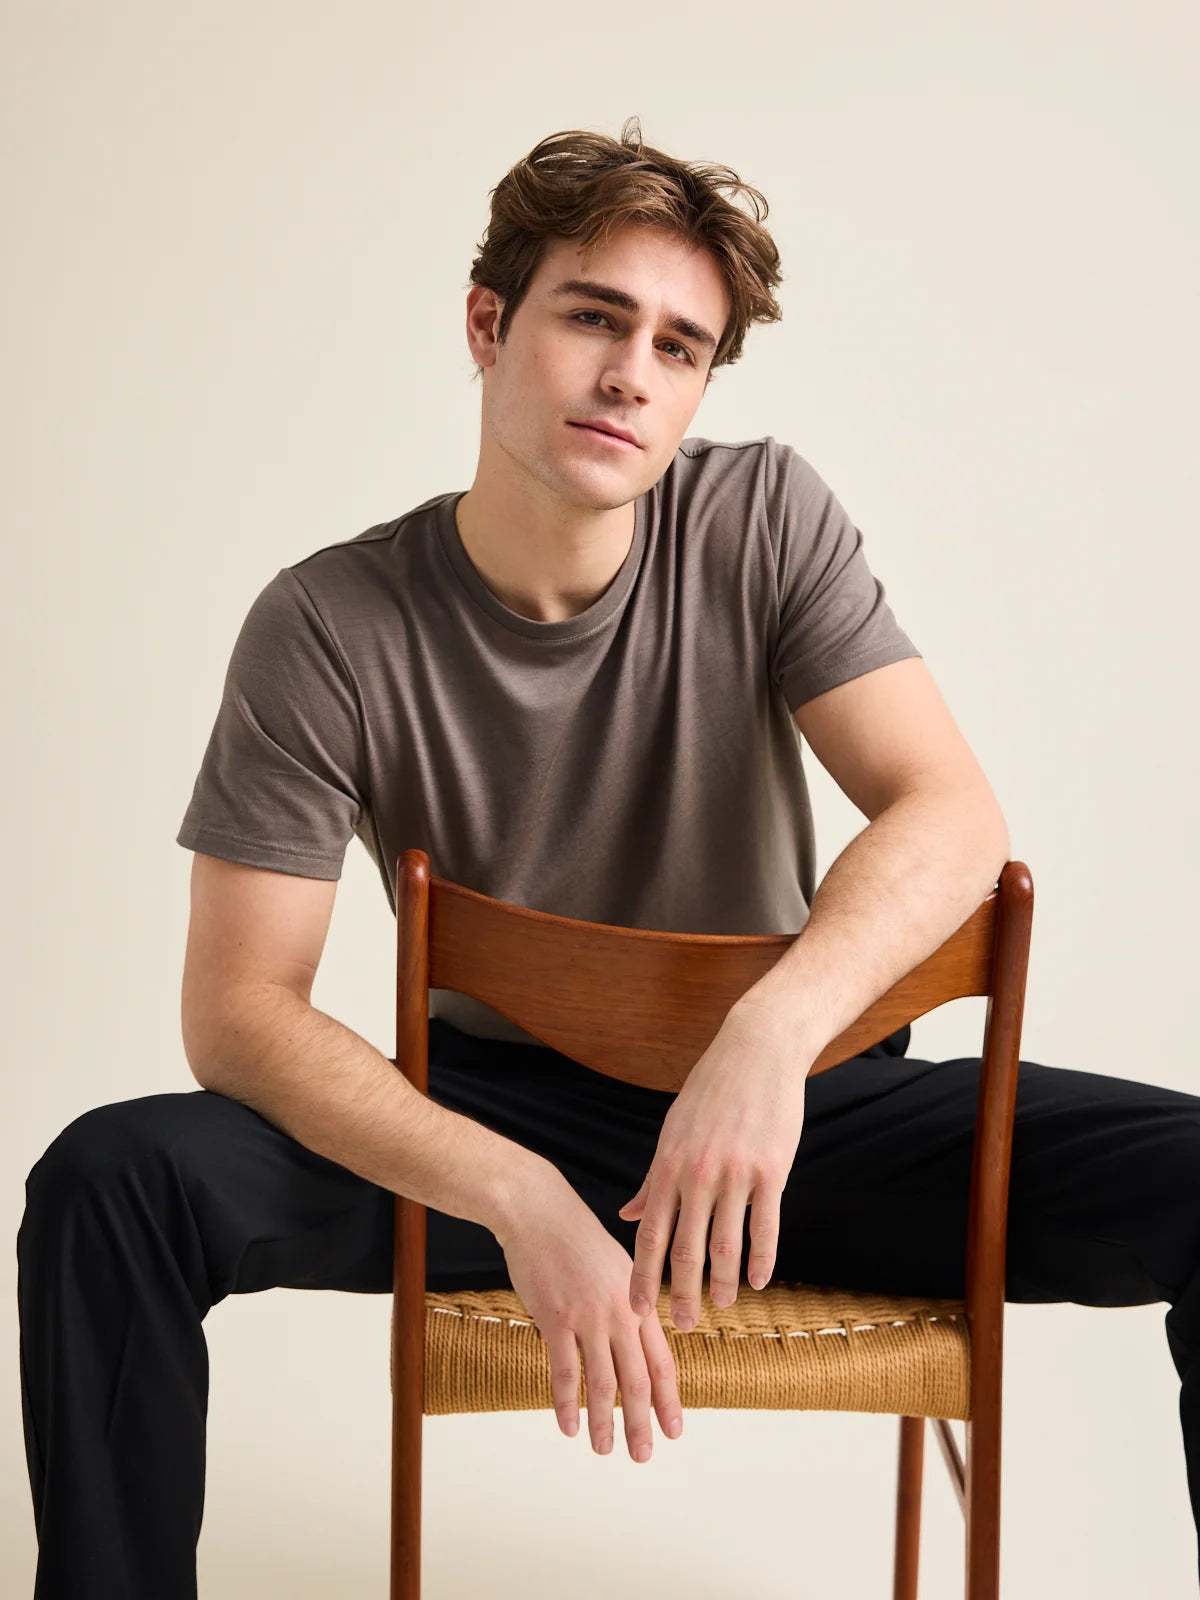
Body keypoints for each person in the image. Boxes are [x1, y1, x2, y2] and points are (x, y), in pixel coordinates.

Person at [17, 117, 1200, 1599]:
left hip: (793, 1120)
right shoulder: (326, 625)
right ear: (488, 325)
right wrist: (515, 1195)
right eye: (593, 317)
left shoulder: (763, 515)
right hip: (491, 1124)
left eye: (679, 346)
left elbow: (949, 812)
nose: (634, 372)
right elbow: (240, 1012)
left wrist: (768, 1039)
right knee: (110, 1180)